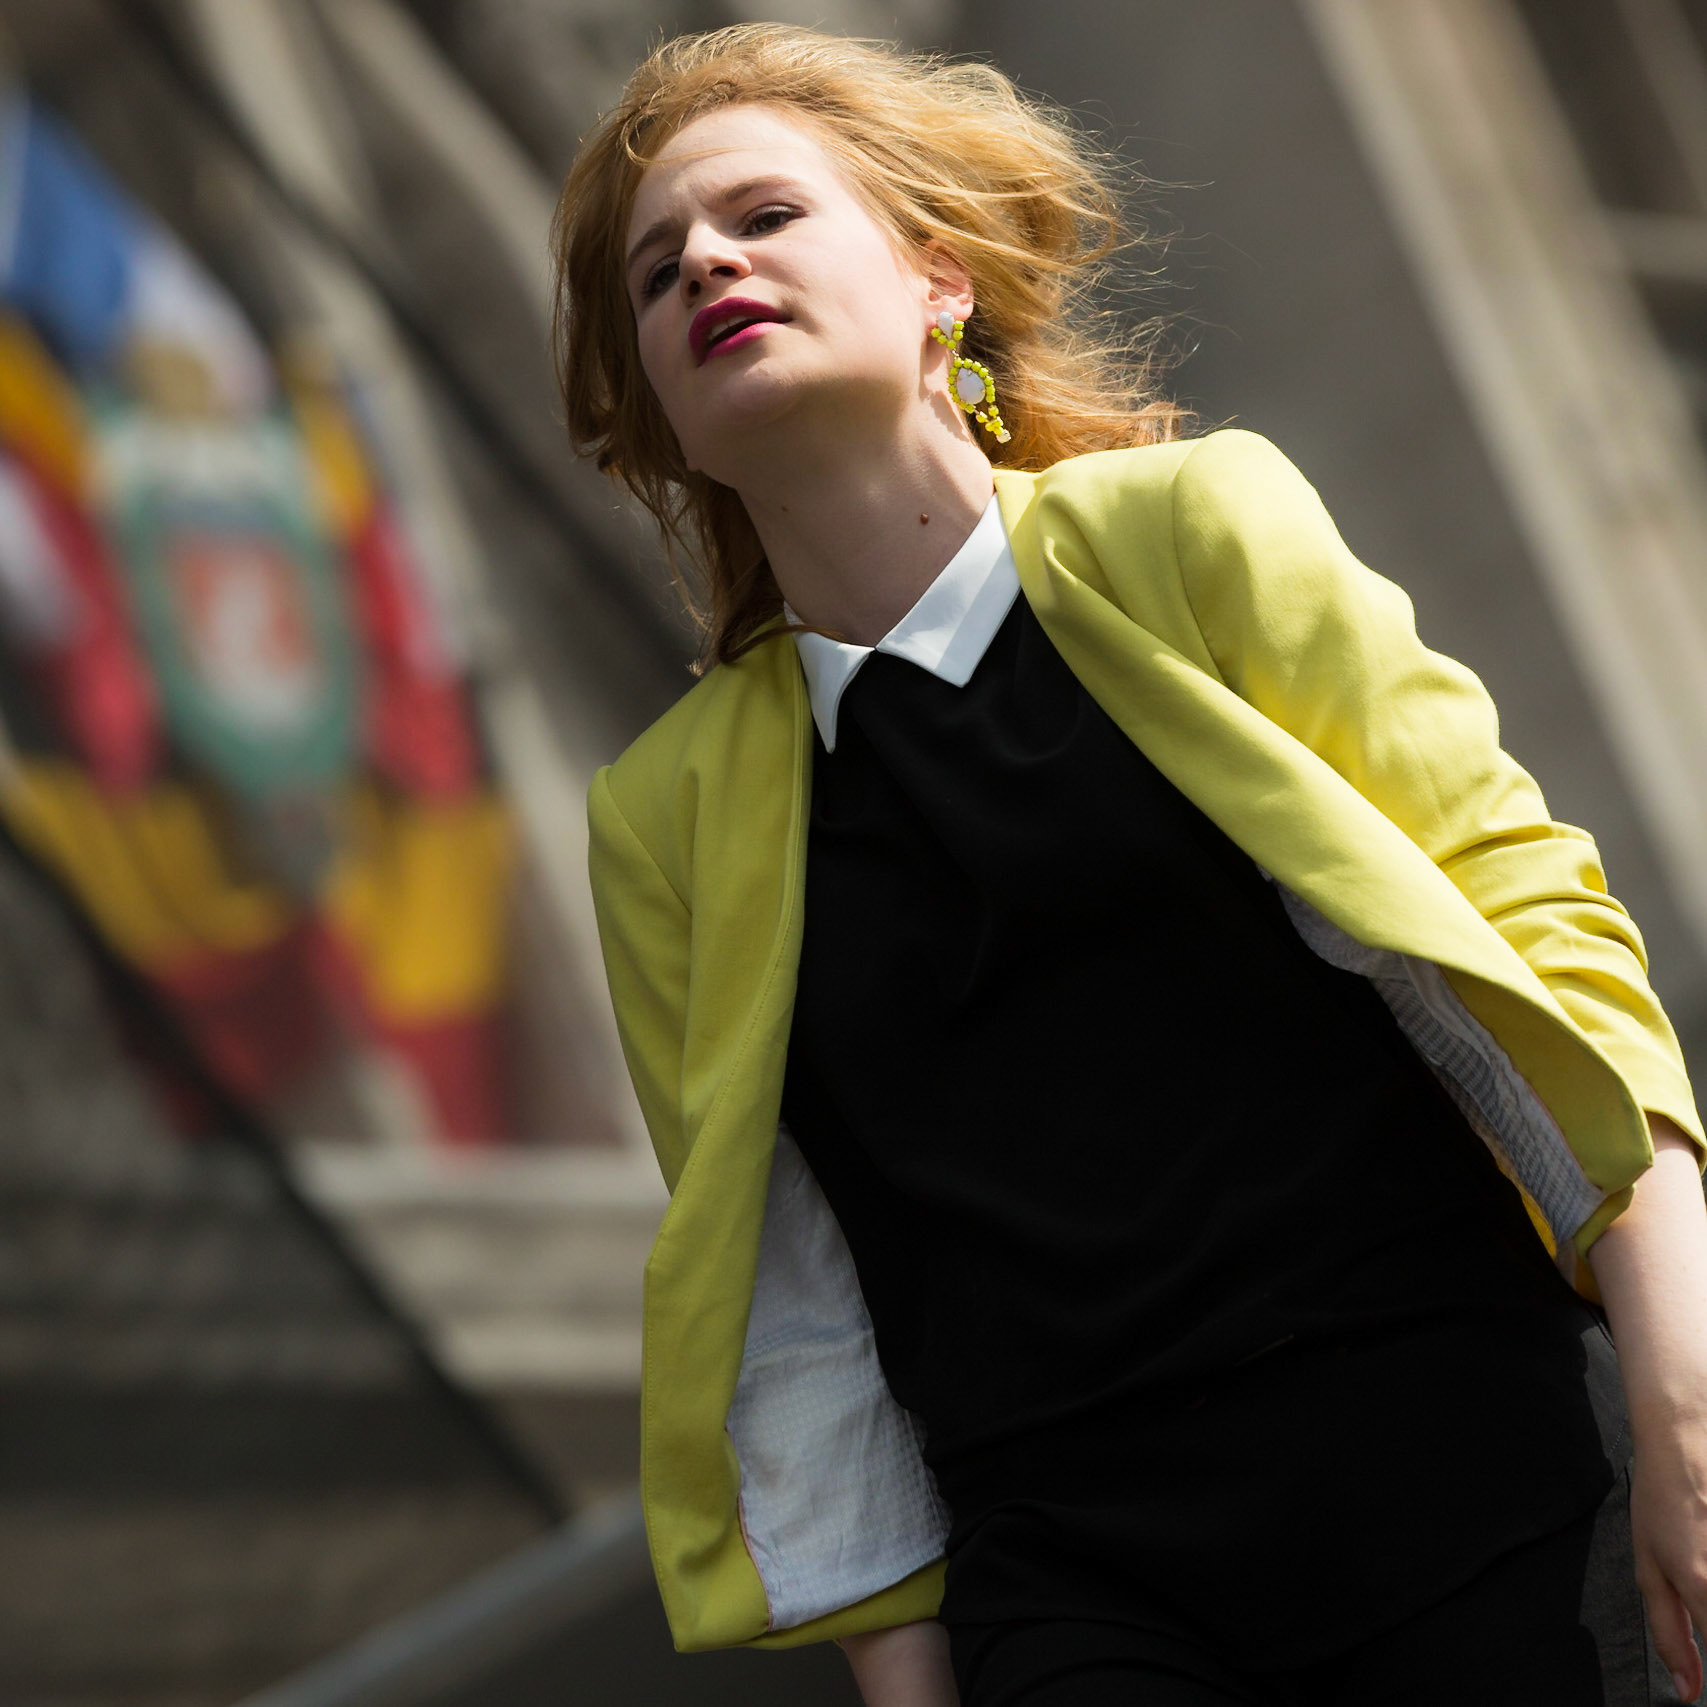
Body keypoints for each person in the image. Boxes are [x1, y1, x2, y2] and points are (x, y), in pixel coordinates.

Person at [552, 23, 1707, 1706]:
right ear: (663, 413)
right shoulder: (662, 822)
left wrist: (1684, 1403)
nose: (707, 266)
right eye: (658, 274)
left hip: (1480, 1477)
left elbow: (1533, 925)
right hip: (1079, 1590)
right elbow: (796, 1293)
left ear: (938, 281)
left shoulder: (1194, 531)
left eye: (765, 218)